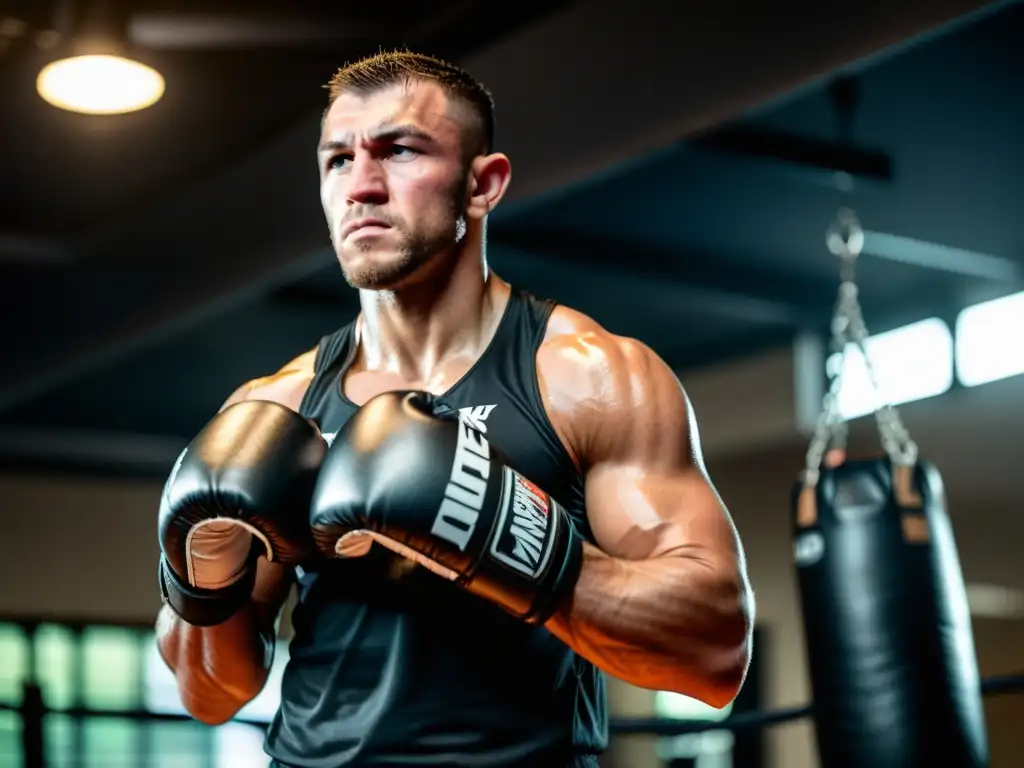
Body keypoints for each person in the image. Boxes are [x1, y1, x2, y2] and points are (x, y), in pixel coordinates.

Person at [154, 50, 755, 768]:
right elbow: (212, 694)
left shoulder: (587, 376)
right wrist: (200, 582)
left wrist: (507, 535)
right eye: (338, 160)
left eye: (398, 151)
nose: (362, 187)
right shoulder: (275, 407)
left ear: (483, 184)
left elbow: (715, 653)